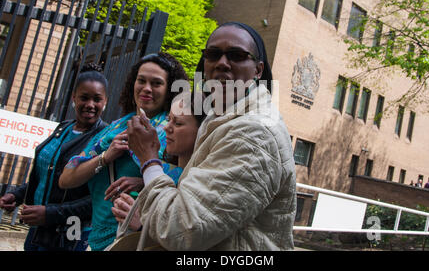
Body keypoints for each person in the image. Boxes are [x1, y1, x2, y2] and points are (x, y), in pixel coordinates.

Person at [127, 22, 297, 250]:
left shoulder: (255, 134)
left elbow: (183, 230)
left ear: (258, 69)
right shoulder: (222, 116)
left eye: (237, 55)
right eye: (213, 54)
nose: (222, 63)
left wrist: (148, 159)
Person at [59, 52, 188, 251]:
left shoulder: (176, 131)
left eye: (156, 83)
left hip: (138, 239)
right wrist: (105, 157)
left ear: (170, 89)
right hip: (96, 240)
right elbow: (66, 178)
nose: (146, 88)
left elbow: (190, 179)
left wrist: (145, 179)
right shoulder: (115, 129)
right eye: (141, 81)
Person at [0, 63, 108, 251]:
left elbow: (101, 197)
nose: (90, 105)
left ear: (105, 101)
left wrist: (50, 214)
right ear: (74, 97)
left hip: (70, 237)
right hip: (39, 231)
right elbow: (48, 175)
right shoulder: (63, 128)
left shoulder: (105, 139)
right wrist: (18, 195)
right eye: (84, 98)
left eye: (97, 99)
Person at [111, 92, 207, 231]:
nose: (167, 127)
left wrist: (142, 225)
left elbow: (186, 236)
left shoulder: (199, 182)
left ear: (201, 130)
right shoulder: (162, 173)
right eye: (169, 119)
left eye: (178, 123)